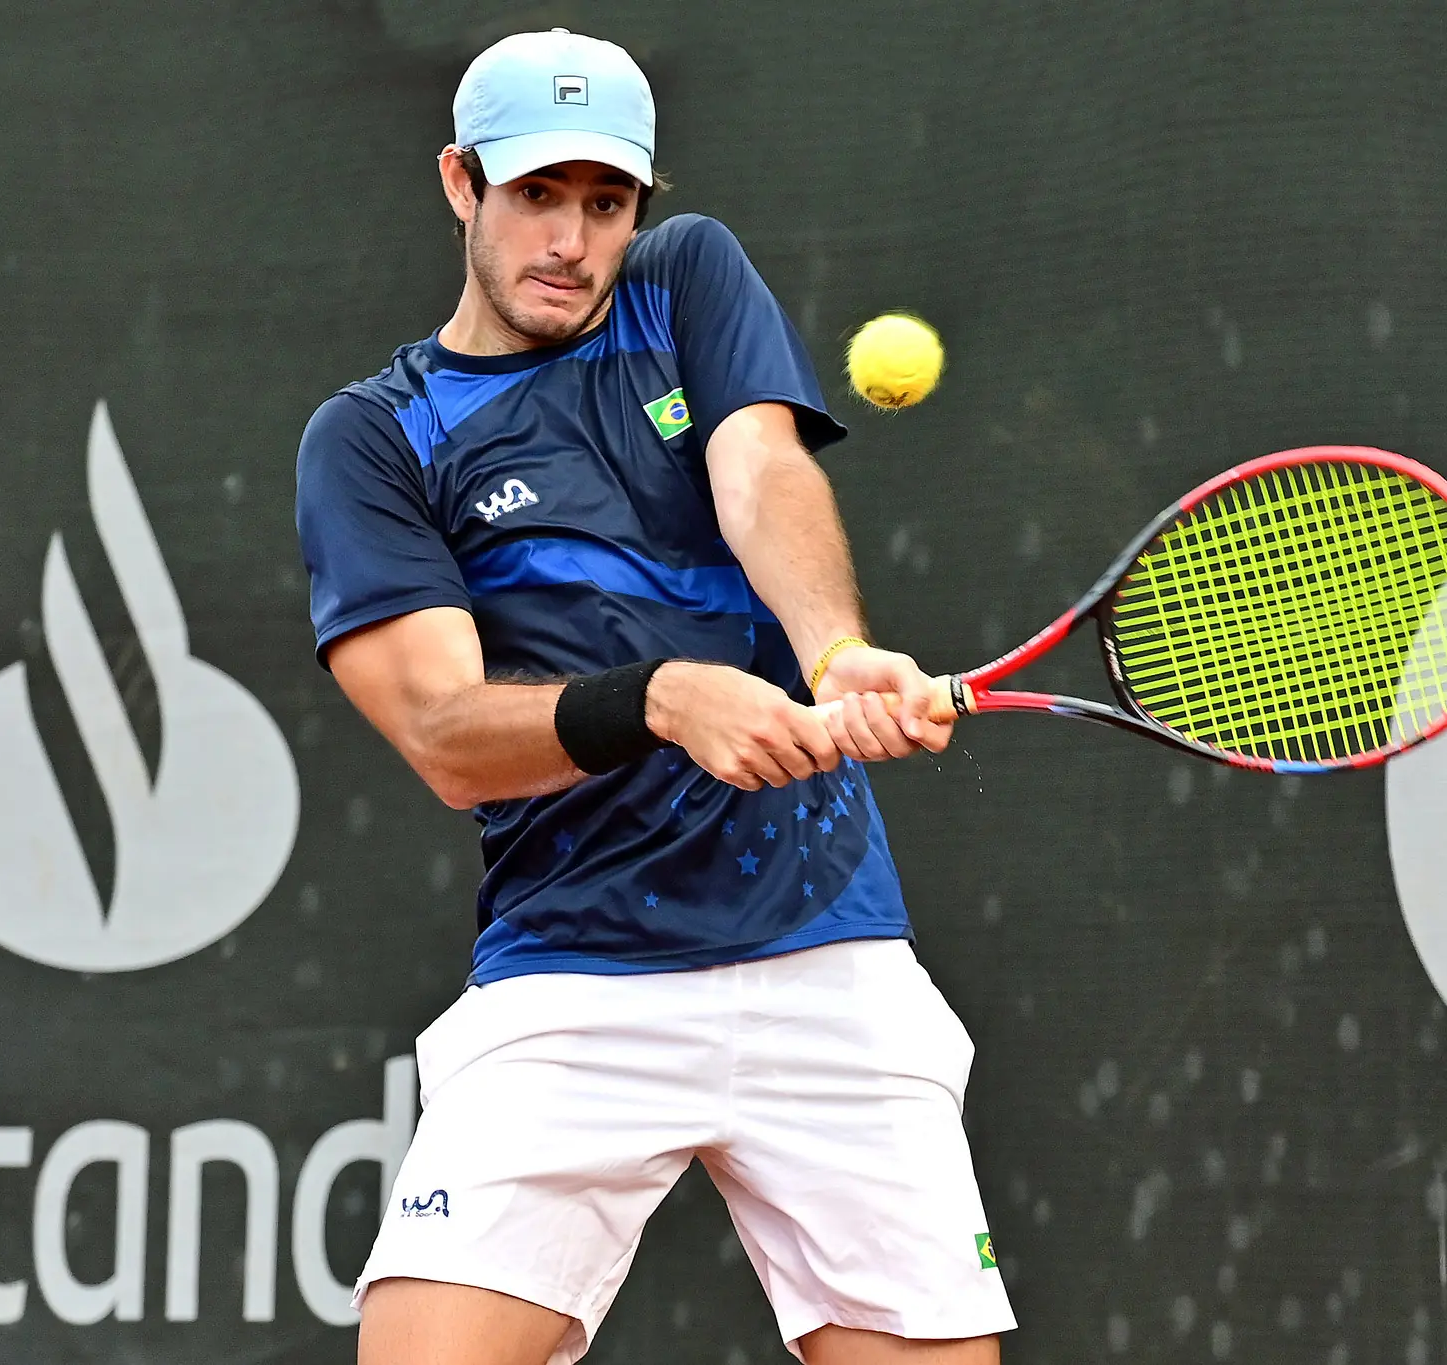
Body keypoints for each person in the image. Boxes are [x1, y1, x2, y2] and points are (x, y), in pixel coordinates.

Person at [295, 28, 1014, 1365]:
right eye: (537, 196)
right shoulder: (377, 439)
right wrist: (665, 700)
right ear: (460, 182)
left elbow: (761, 473)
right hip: (575, 967)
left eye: (606, 202)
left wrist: (835, 652)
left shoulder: (684, 281)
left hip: (825, 954)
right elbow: (447, 736)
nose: (572, 241)